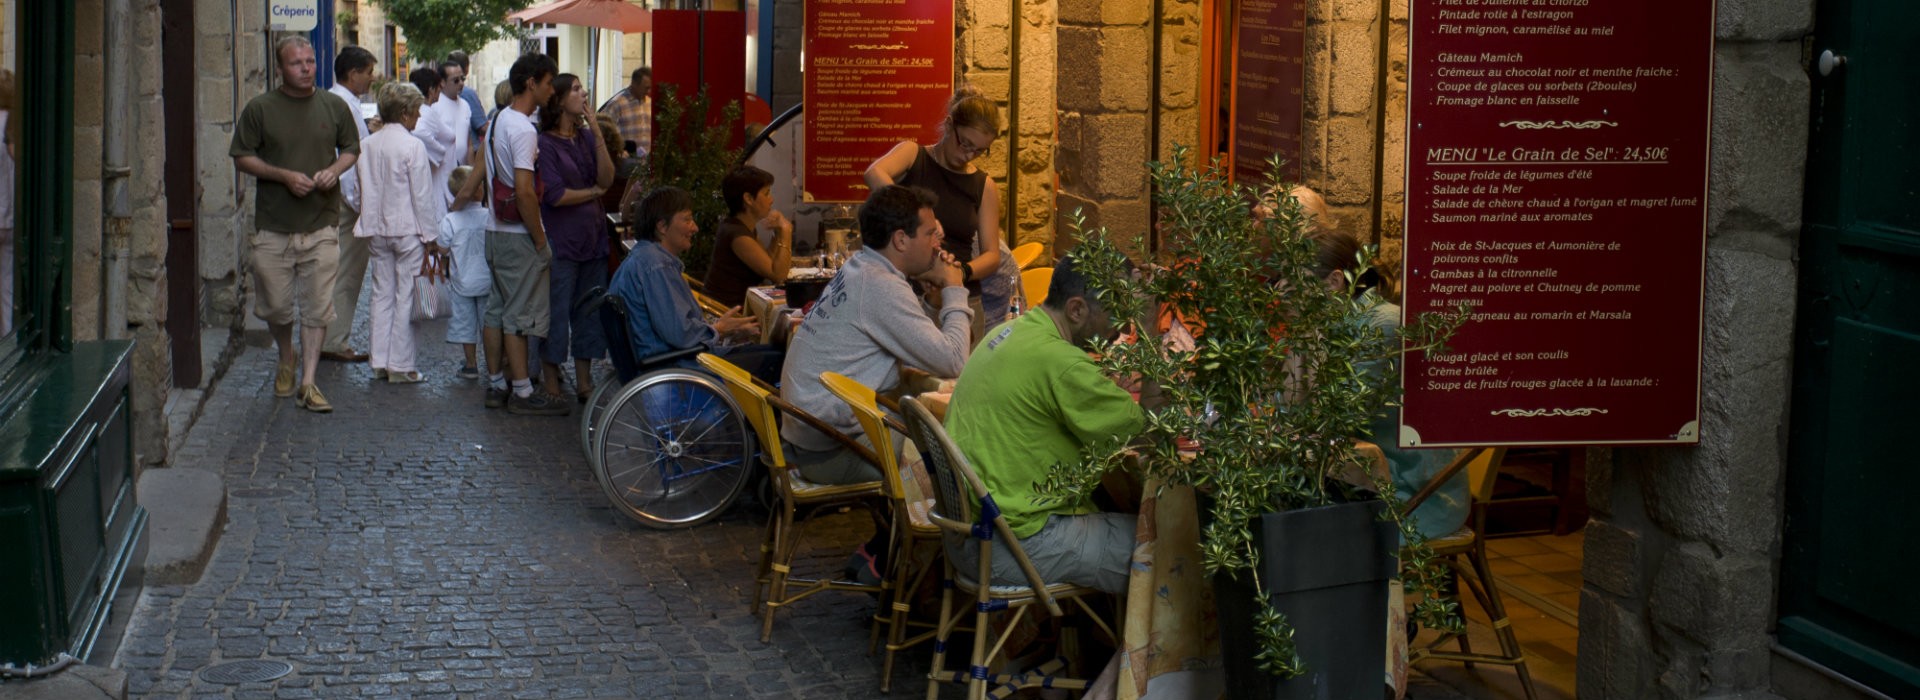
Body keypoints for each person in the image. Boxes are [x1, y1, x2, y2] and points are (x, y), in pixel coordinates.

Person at [944, 254, 1149, 594]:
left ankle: (1091, 642)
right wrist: (1149, 329)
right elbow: (1144, 431)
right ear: (1077, 310)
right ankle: (1137, 648)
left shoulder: (1010, 330)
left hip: (969, 537)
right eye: (1116, 313)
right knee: (1167, 550)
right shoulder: (1062, 363)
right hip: (1015, 546)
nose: (1121, 329)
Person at [779, 185, 972, 486]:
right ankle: (925, 530)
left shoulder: (862, 267)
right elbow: (953, 361)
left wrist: (931, 303)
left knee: (917, 419)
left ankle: (893, 532)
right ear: (900, 239)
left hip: (809, 439)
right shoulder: (880, 285)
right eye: (931, 233)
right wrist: (955, 289)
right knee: (952, 459)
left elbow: (890, 332)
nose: (938, 244)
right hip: (833, 454)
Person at [229, 36, 361, 413]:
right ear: (280, 68)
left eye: (310, 61)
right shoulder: (260, 109)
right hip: (274, 226)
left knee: (318, 307)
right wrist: (283, 176)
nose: (306, 68)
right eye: (296, 63)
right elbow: (241, 157)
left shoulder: (334, 106)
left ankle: (308, 382)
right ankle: (286, 354)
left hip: (321, 223)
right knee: (276, 307)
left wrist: (334, 171)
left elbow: (351, 149)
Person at [863, 87, 1005, 339]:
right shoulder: (913, 155)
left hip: (958, 300)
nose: (968, 155)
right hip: (905, 295)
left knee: (959, 377)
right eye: (965, 143)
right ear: (950, 125)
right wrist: (917, 214)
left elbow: (992, 255)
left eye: (980, 150)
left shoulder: (984, 186)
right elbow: (873, 173)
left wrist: (957, 272)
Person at [608, 187, 780, 382]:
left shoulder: (645, 258)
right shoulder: (656, 265)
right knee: (779, 361)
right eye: (687, 219)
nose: (695, 228)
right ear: (662, 227)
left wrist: (720, 329)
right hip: (679, 367)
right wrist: (720, 329)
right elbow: (679, 333)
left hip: (672, 359)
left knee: (771, 352)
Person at [481, 53, 569, 416]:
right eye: (549, 83)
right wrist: (539, 241)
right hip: (518, 234)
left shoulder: (499, 118)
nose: (552, 90)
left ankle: (496, 382)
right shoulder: (522, 128)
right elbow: (525, 189)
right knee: (518, 314)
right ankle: (521, 390)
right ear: (532, 82)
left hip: (495, 229)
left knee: (497, 310)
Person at [355, 82, 444, 384]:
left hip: (376, 229)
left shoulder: (367, 144)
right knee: (406, 295)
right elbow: (422, 195)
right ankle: (401, 365)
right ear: (406, 114)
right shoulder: (412, 145)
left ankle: (379, 360)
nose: (419, 117)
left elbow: (357, 191)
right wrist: (431, 237)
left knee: (381, 294)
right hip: (407, 229)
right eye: (417, 112)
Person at [535, 73, 615, 402]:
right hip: (563, 240)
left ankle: (584, 380)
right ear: (560, 99)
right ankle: (551, 377)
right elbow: (554, 194)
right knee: (557, 310)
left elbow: (607, 177)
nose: (583, 93)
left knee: (589, 311)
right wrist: (592, 192)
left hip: (593, 238)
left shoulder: (584, 137)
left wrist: (595, 128)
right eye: (577, 89)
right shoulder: (545, 142)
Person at [320, 45, 377, 363]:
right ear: (353, 74)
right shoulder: (346, 106)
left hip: (336, 198)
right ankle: (335, 339)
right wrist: (359, 205)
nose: (371, 79)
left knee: (334, 271)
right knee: (348, 273)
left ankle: (330, 336)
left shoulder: (331, 99)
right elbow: (349, 159)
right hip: (347, 201)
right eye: (368, 72)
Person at [702, 165, 794, 307]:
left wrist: (778, 232)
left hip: (741, 310)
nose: (772, 200)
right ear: (748, 199)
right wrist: (787, 230)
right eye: (767, 193)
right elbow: (778, 276)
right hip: (728, 316)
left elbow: (767, 262)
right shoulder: (737, 235)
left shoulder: (740, 225)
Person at [442, 166, 492, 380]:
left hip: (461, 280)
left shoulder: (450, 220)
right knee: (489, 323)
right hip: (487, 279)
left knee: (465, 323)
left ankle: (471, 364)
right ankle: (494, 365)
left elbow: (443, 247)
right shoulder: (490, 216)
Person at [429, 60, 473, 209]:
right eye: (456, 80)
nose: (461, 83)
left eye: (462, 79)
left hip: (462, 173)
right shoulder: (435, 106)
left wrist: (471, 172)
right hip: (442, 173)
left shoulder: (465, 105)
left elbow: (468, 142)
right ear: (442, 82)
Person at [598, 66, 652, 156]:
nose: (648, 91)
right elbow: (604, 132)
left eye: (650, 88)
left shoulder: (649, 103)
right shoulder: (616, 104)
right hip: (625, 161)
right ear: (634, 84)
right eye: (646, 88)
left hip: (646, 163)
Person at [446, 51, 488, 145]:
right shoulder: (467, 93)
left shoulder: (443, 95)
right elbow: (482, 127)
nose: (460, 84)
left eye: (462, 79)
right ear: (467, 69)